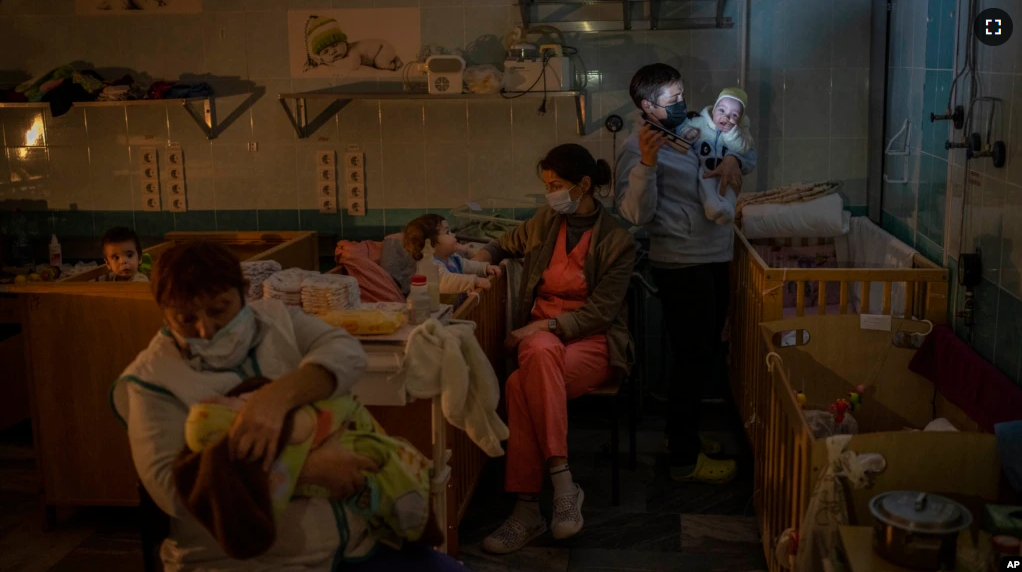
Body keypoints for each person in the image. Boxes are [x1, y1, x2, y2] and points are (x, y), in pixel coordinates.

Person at [109, 241, 468, 571]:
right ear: (164, 314)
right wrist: (304, 470)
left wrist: (276, 398)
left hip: (352, 545)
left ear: (245, 294)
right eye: (186, 319)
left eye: (220, 309)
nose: (206, 330)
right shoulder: (151, 382)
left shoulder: (274, 321)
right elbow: (174, 493)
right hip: (251, 562)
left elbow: (343, 350)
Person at [471, 144, 636, 554]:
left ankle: (527, 511)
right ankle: (563, 483)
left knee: (518, 385)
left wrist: (543, 325)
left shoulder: (617, 241)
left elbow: (601, 312)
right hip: (541, 342)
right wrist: (476, 263)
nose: (550, 194)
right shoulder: (547, 221)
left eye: (557, 185)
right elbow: (504, 243)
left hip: (592, 342)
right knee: (539, 356)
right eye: (546, 186)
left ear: (584, 185)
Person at [615, 64, 756, 485]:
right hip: (680, 261)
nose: (682, 104)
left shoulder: (698, 126)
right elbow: (635, 215)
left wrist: (733, 156)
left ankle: (684, 436)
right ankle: (682, 456)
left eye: (681, 95)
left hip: (715, 254)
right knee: (692, 356)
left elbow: (743, 150)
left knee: (704, 351)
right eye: (672, 100)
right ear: (647, 107)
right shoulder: (633, 148)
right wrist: (646, 162)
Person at [678, 87, 755, 225]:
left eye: (734, 115)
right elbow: (682, 127)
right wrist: (687, 132)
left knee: (728, 191)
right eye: (722, 110)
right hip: (706, 171)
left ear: (740, 120)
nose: (726, 117)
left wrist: (731, 133)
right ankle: (712, 208)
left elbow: (743, 148)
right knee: (706, 188)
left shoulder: (740, 133)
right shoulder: (700, 123)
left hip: (726, 174)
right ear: (713, 110)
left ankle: (728, 212)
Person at [403, 214, 501, 294]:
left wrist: (484, 268)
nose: (453, 235)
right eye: (447, 232)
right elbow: (445, 281)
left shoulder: (452, 258)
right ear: (431, 244)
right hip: (433, 316)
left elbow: (467, 265)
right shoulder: (429, 267)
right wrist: (474, 281)